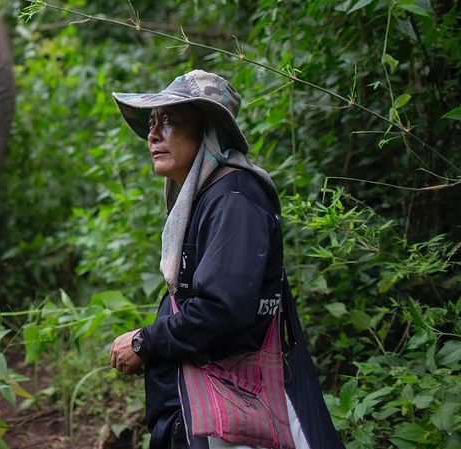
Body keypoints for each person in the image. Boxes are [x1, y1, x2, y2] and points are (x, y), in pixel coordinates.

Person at [106, 70, 344, 449]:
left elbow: (221, 311)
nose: (153, 135)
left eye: (169, 121)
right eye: (152, 123)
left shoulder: (234, 198)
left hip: (242, 409)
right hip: (219, 402)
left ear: (207, 130)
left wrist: (145, 343)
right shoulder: (208, 196)